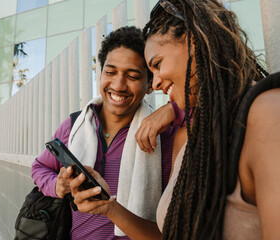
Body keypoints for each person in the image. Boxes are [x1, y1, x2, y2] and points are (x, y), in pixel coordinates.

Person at [69, 0, 280, 239]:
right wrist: (108, 207)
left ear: (194, 41)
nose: (156, 82)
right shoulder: (187, 135)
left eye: (157, 65)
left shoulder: (268, 113)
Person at [31, 26, 182, 239]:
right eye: (110, 72)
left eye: (132, 76)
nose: (118, 85)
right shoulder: (74, 125)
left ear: (150, 84)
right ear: (100, 74)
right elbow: (40, 166)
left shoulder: (165, 135)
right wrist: (57, 184)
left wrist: (175, 109)